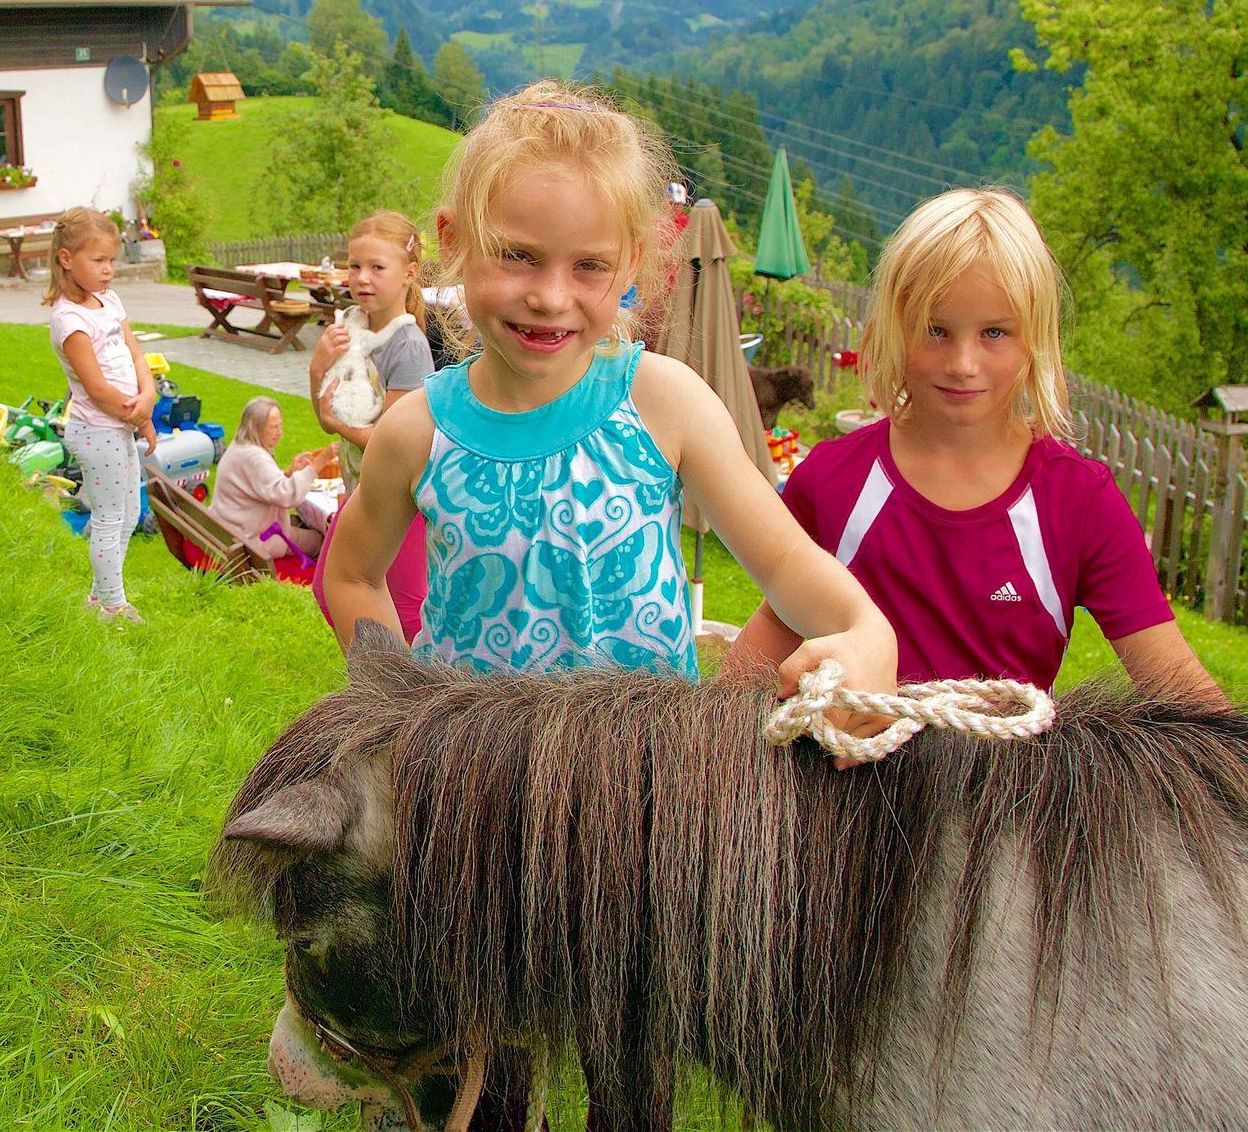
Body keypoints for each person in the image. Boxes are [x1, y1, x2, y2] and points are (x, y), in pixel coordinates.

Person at [323, 80, 899, 707]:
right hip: (468, 768)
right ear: (455, 241)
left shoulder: (666, 403)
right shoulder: (418, 431)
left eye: (590, 266)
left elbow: (785, 562)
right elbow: (352, 574)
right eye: (518, 255)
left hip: (641, 765)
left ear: (632, 262)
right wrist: (398, 706)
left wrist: (865, 629)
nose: (551, 297)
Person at [720, 189, 1223, 698]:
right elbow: (766, 642)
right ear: (894, 328)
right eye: (936, 330)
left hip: (1013, 754)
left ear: (1036, 338)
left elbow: (1181, 692)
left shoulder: (1080, 500)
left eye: (995, 333)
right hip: (846, 749)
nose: (963, 364)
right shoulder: (830, 480)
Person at [308, 210, 437, 640]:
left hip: (399, 500)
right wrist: (317, 367)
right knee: (331, 592)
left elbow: (395, 445)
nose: (362, 277)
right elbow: (325, 418)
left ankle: (410, 678)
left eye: (377, 267)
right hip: (362, 490)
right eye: (354, 265)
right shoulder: (350, 331)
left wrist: (337, 425)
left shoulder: (408, 346)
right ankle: (375, 674)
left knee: (405, 609)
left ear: (408, 274)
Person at [46, 207, 157, 625]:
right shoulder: (69, 319)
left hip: (121, 426)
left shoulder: (108, 300)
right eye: (98, 260)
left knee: (129, 515)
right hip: (98, 431)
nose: (108, 269)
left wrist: (148, 395)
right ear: (66, 259)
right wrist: (138, 416)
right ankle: (113, 606)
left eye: (111, 260)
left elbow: (135, 353)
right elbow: (96, 387)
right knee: (109, 518)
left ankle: (99, 599)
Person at [210, 399, 328, 559]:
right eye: (274, 427)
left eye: (280, 426)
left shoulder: (239, 446)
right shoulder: (256, 458)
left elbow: (264, 485)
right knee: (321, 540)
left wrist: (288, 473)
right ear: (256, 428)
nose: (280, 432)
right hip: (253, 539)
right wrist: (319, 464)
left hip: (232, 529)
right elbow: (286, 496)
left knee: (304, 523)